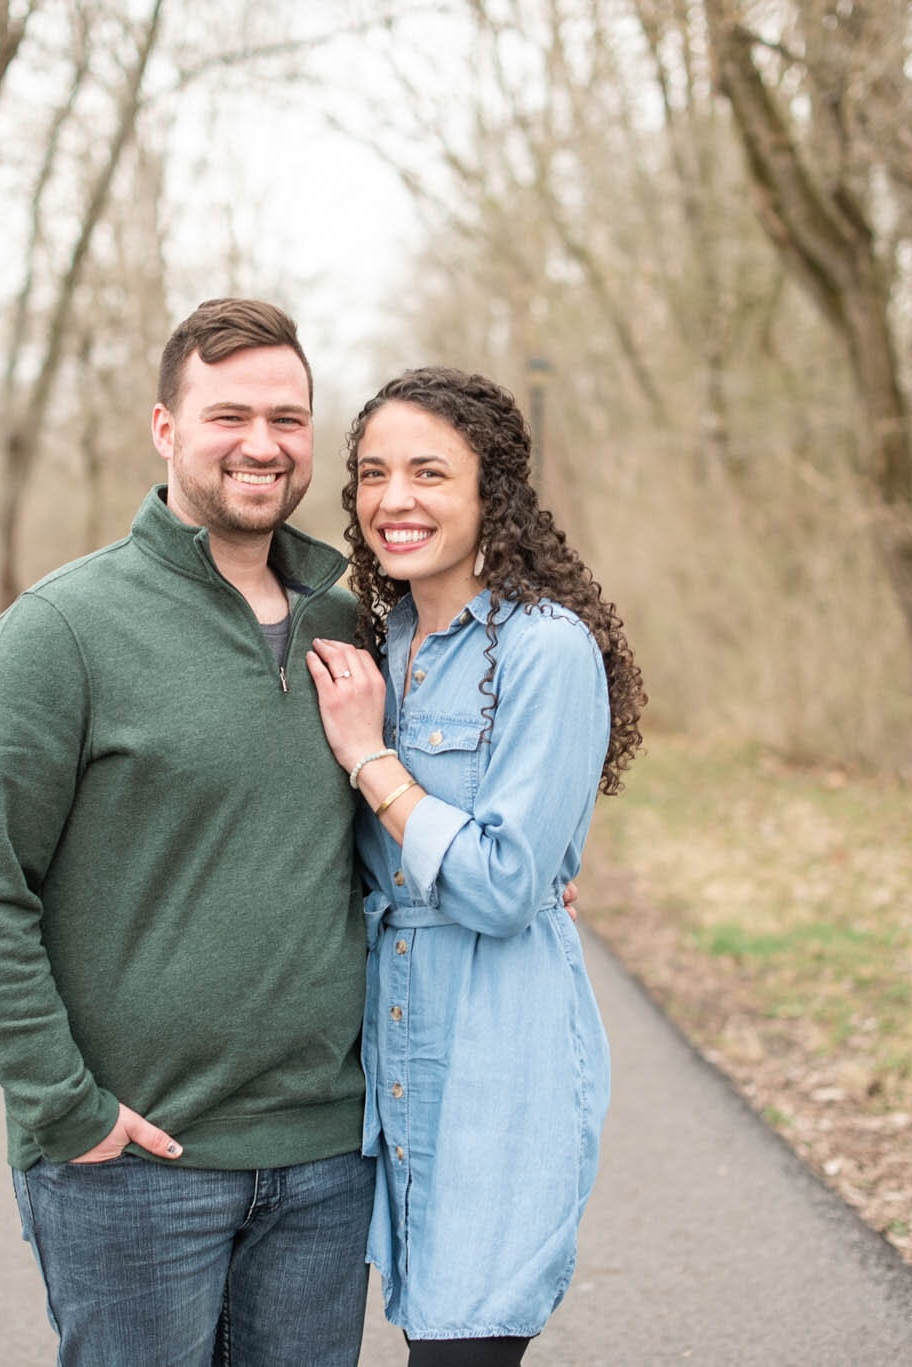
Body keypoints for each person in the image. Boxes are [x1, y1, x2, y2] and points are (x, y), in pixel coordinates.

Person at [0, 299, 374, 1366]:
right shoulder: (61, 632)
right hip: (132, 1167)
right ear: (165, 428)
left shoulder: (347, 624)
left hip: (323, 1159)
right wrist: (64, 1105)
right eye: (229, 414)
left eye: (289, 416)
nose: (262, 443)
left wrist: (536, 866)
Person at [305, 366, 646, 1367]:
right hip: (390, 1044)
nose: (393, 499)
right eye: (371, 473)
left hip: (500, 1050)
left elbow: (501, 885)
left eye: (427, 472)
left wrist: (371, 757)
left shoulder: (545, 650)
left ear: (488, 491)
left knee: (460, 1350)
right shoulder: (380, 638)